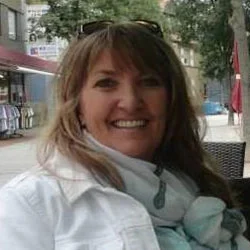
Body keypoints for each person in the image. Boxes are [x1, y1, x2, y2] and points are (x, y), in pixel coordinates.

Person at [0, 20, 249, 250]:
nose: (130, 102)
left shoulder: (199, 182)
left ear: (171, 100)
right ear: (77, 105)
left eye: (149, 82)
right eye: (106, 83)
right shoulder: (30, 203)